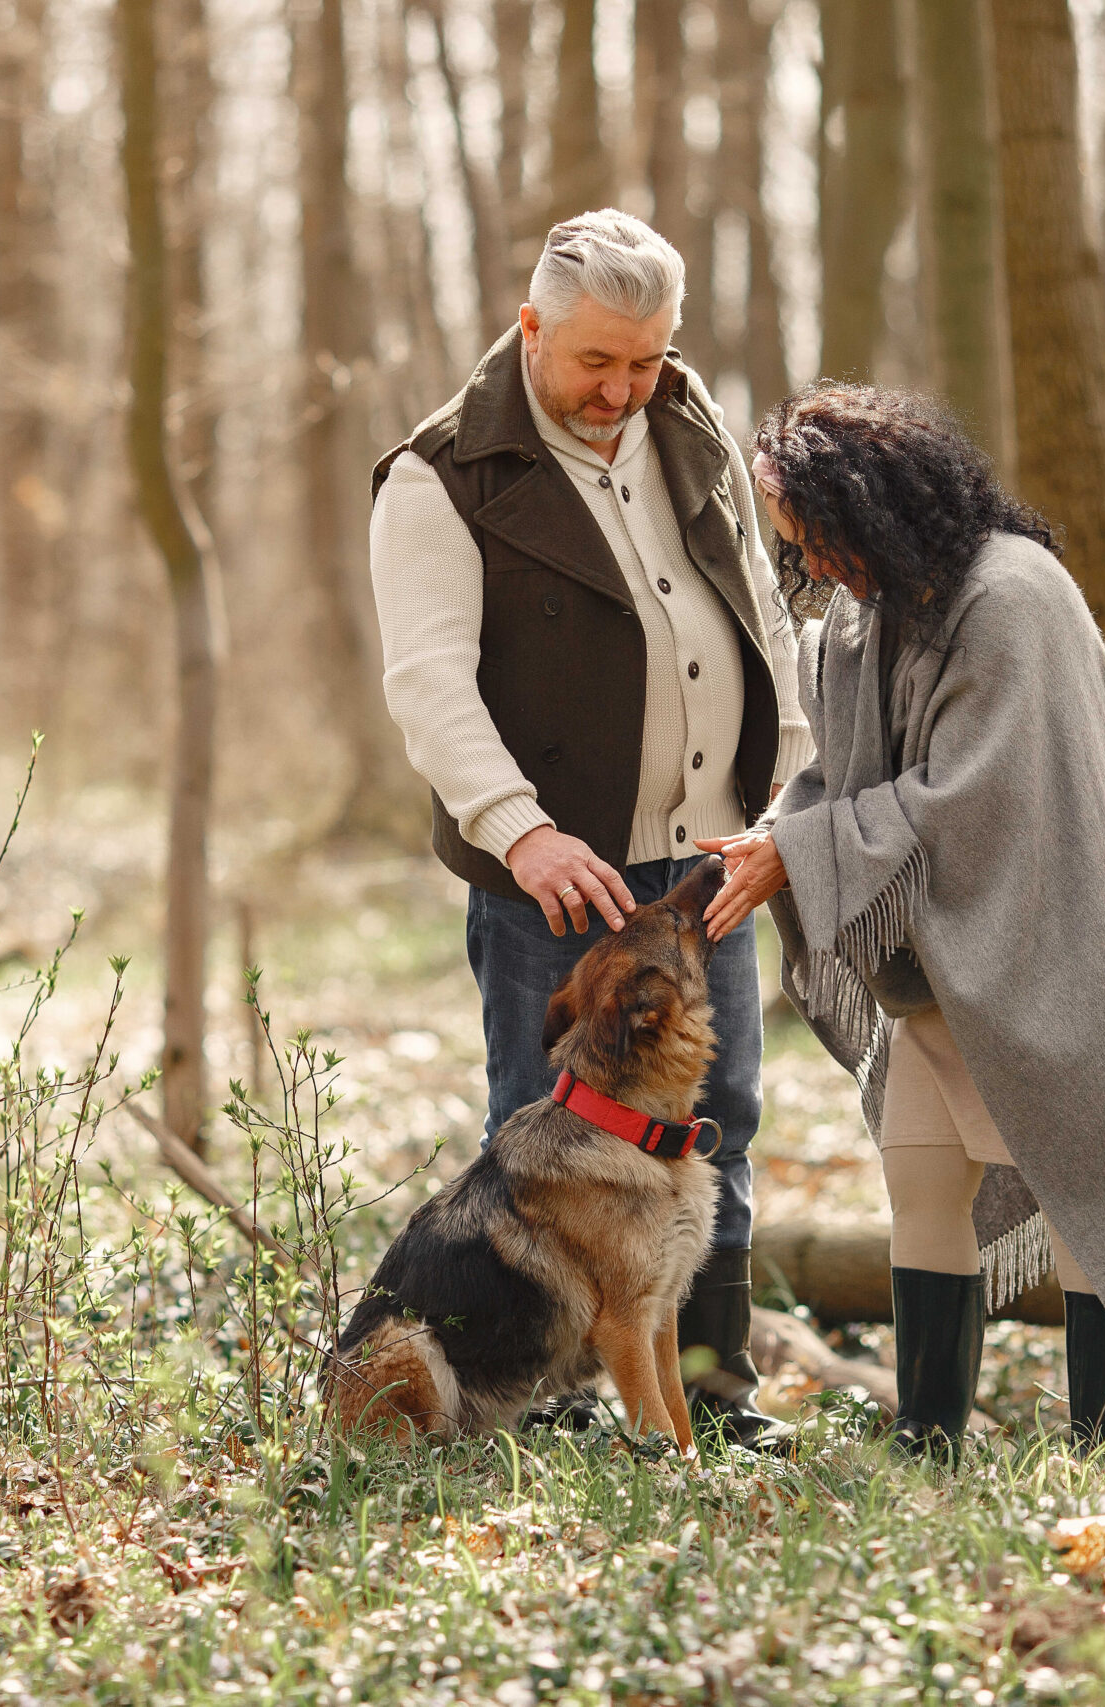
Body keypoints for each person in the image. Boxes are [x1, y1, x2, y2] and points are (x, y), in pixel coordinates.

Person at [701, 383, 1105, 1465]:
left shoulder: (1013, 596)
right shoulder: (854, 625)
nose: (812, 567)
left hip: (1072, 950)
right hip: (941, 967)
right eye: (794, 548)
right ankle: (930, 1452)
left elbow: (975, 793)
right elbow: (834, 776)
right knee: (920, 1180)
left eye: (820, 538)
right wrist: (778, 839)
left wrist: (806, 853)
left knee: (1094, 1195)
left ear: (878, 503)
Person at [367, 210, 812, 1450]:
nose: (621, 389)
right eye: (594, 363)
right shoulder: (442, 474)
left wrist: (785, 794)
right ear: (530, 330)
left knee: (720, 1114)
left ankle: (711, 1400)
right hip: (554, 879)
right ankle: (560, 1404)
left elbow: (759, 613)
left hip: (709, 859)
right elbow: (429, 683)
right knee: (550, 1126)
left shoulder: (688, 421)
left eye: (646, 359)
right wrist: (519, 831)